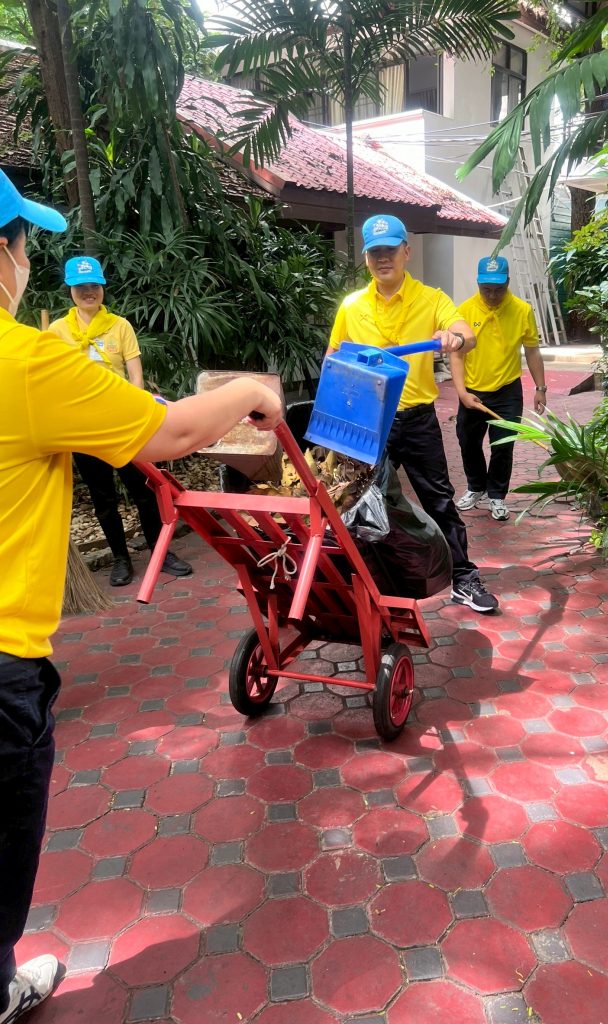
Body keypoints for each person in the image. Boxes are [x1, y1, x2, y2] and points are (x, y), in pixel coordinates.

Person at [0, 169, 283, 1024]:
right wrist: (253, 392)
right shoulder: (26, 358)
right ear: (3, 254)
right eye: (24, 243)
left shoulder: (59, 354)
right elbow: (178, 431)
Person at [328, 214, 498, 613]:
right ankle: (374, 586)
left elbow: (466, 334)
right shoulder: (351, 306)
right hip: (370, 424)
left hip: (418, 420)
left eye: (390, 250)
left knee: (439, 500)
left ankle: (463, 577)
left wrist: (454, 338)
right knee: (362, 505)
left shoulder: (432, 299)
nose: (383, 258)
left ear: (407, 251)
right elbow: (333, 357)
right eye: (375, 252)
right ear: (366, 258)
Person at [49, 258, 192, 586]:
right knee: (103, 497)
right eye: (81, 287)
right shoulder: (57, 331)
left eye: (94, 286)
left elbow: (135, 376)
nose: (88, 292)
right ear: (70, 290)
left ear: (102, 288)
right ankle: (120, 558)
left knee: (143, 490)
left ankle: (159, 551)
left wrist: (136, 413)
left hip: (123, 423)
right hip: (83, 428)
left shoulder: (120, 326)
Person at [455, 255, 547, 521]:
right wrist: (462, 392)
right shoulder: (464, 310)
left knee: (503, 446)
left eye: (499, 289)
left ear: (508, 282)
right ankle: (476, 487)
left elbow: (532, 350)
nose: (493, 295)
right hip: (472, 390)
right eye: (487, 290)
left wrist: (540, 387)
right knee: (468, 442)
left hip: (508, 391)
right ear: (478, 284)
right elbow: (457, 355)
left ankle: (496, 495)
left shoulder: (522, 310)